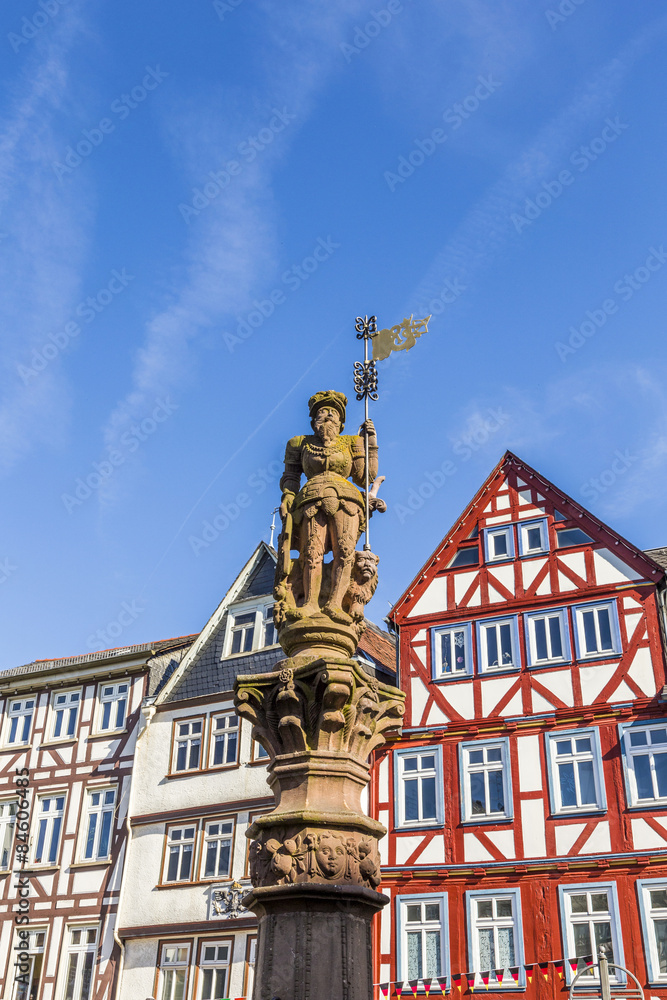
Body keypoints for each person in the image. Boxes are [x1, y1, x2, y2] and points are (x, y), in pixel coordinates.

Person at [277, 390, 378, 623]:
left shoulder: (352, 442)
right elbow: (290, 477)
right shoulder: (298, 443)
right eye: (322, 412)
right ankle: (310, 603)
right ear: (313, 420)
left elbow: (365, 477)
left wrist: (370, 445)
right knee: (311, 552)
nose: (328, 416)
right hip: (311, 499)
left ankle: (335, 603)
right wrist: (287, 497)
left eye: (334, 413)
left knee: (345, 551)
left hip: (347, 500)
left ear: (341, 422)